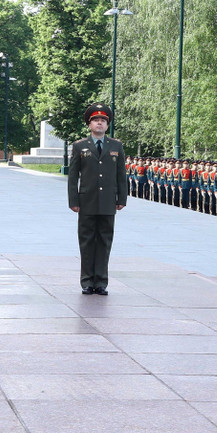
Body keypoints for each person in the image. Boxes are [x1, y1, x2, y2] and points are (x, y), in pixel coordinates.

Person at [67, 103, 126, 295]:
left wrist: (122, 199)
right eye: (95, 120)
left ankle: (101, 282)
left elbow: (121, 175)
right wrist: (73, 201)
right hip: (87, 202)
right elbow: (73, 176)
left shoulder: (116, 146)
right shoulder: (80, 146)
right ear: (89, 124)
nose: (99, 123)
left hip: (108, 202)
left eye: (102, 120)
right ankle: (86, 282)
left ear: (107, 125)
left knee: (104, 242)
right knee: (86, 242)